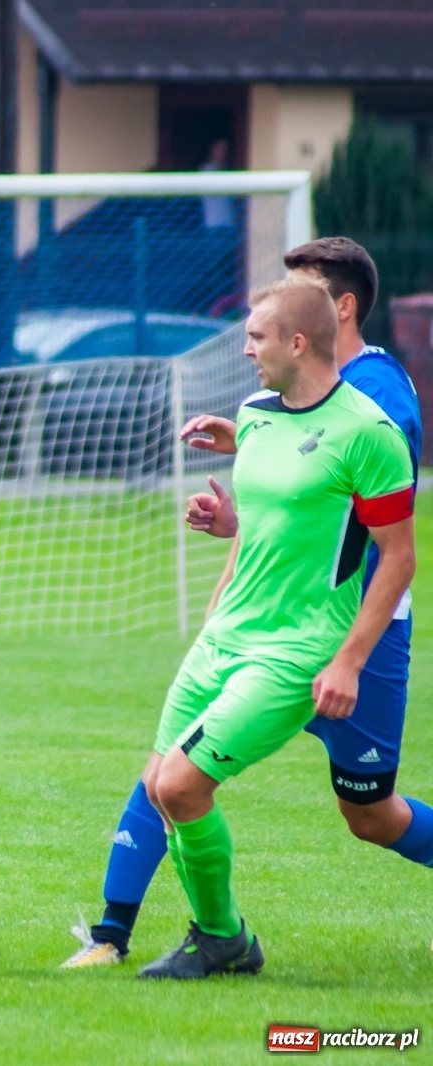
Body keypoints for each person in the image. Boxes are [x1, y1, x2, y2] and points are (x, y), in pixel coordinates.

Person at [63, 239, 433, 969]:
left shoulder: (376, 412)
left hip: (342, 639)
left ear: (324, 319)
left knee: (368, 812)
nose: (245, 347)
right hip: (243, 631)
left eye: (262, 329)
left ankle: (218, 940)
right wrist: (240, 519)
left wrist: (349, 658)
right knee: (165, 776)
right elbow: (295, 488)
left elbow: (383, 541)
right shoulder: (263, 410)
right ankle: (121, 935)